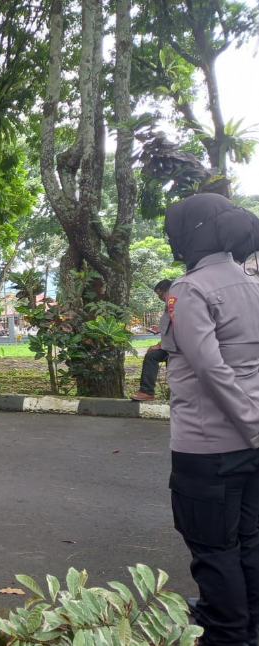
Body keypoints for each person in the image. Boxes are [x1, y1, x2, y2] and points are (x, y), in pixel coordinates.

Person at [161, 193, 259, 646]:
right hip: (250, 446)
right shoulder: (250, 283)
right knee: (248, 540)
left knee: (214, 548)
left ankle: (225, 634)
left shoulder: (190, 289)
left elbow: (210, 369)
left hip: (208, 445)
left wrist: (250, 424)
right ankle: (246, 623)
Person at [130, 280, 173, 402]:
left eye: (160, 295)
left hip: (179, 347)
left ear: (168, 291)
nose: (160, 298)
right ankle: (147, 392)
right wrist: (160, 329)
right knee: (151, 356)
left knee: (155, 355)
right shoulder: (169, 304)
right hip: (170, 346)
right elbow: (170, 325)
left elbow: (179, 328)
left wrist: (160, 345)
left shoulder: (178, 303)